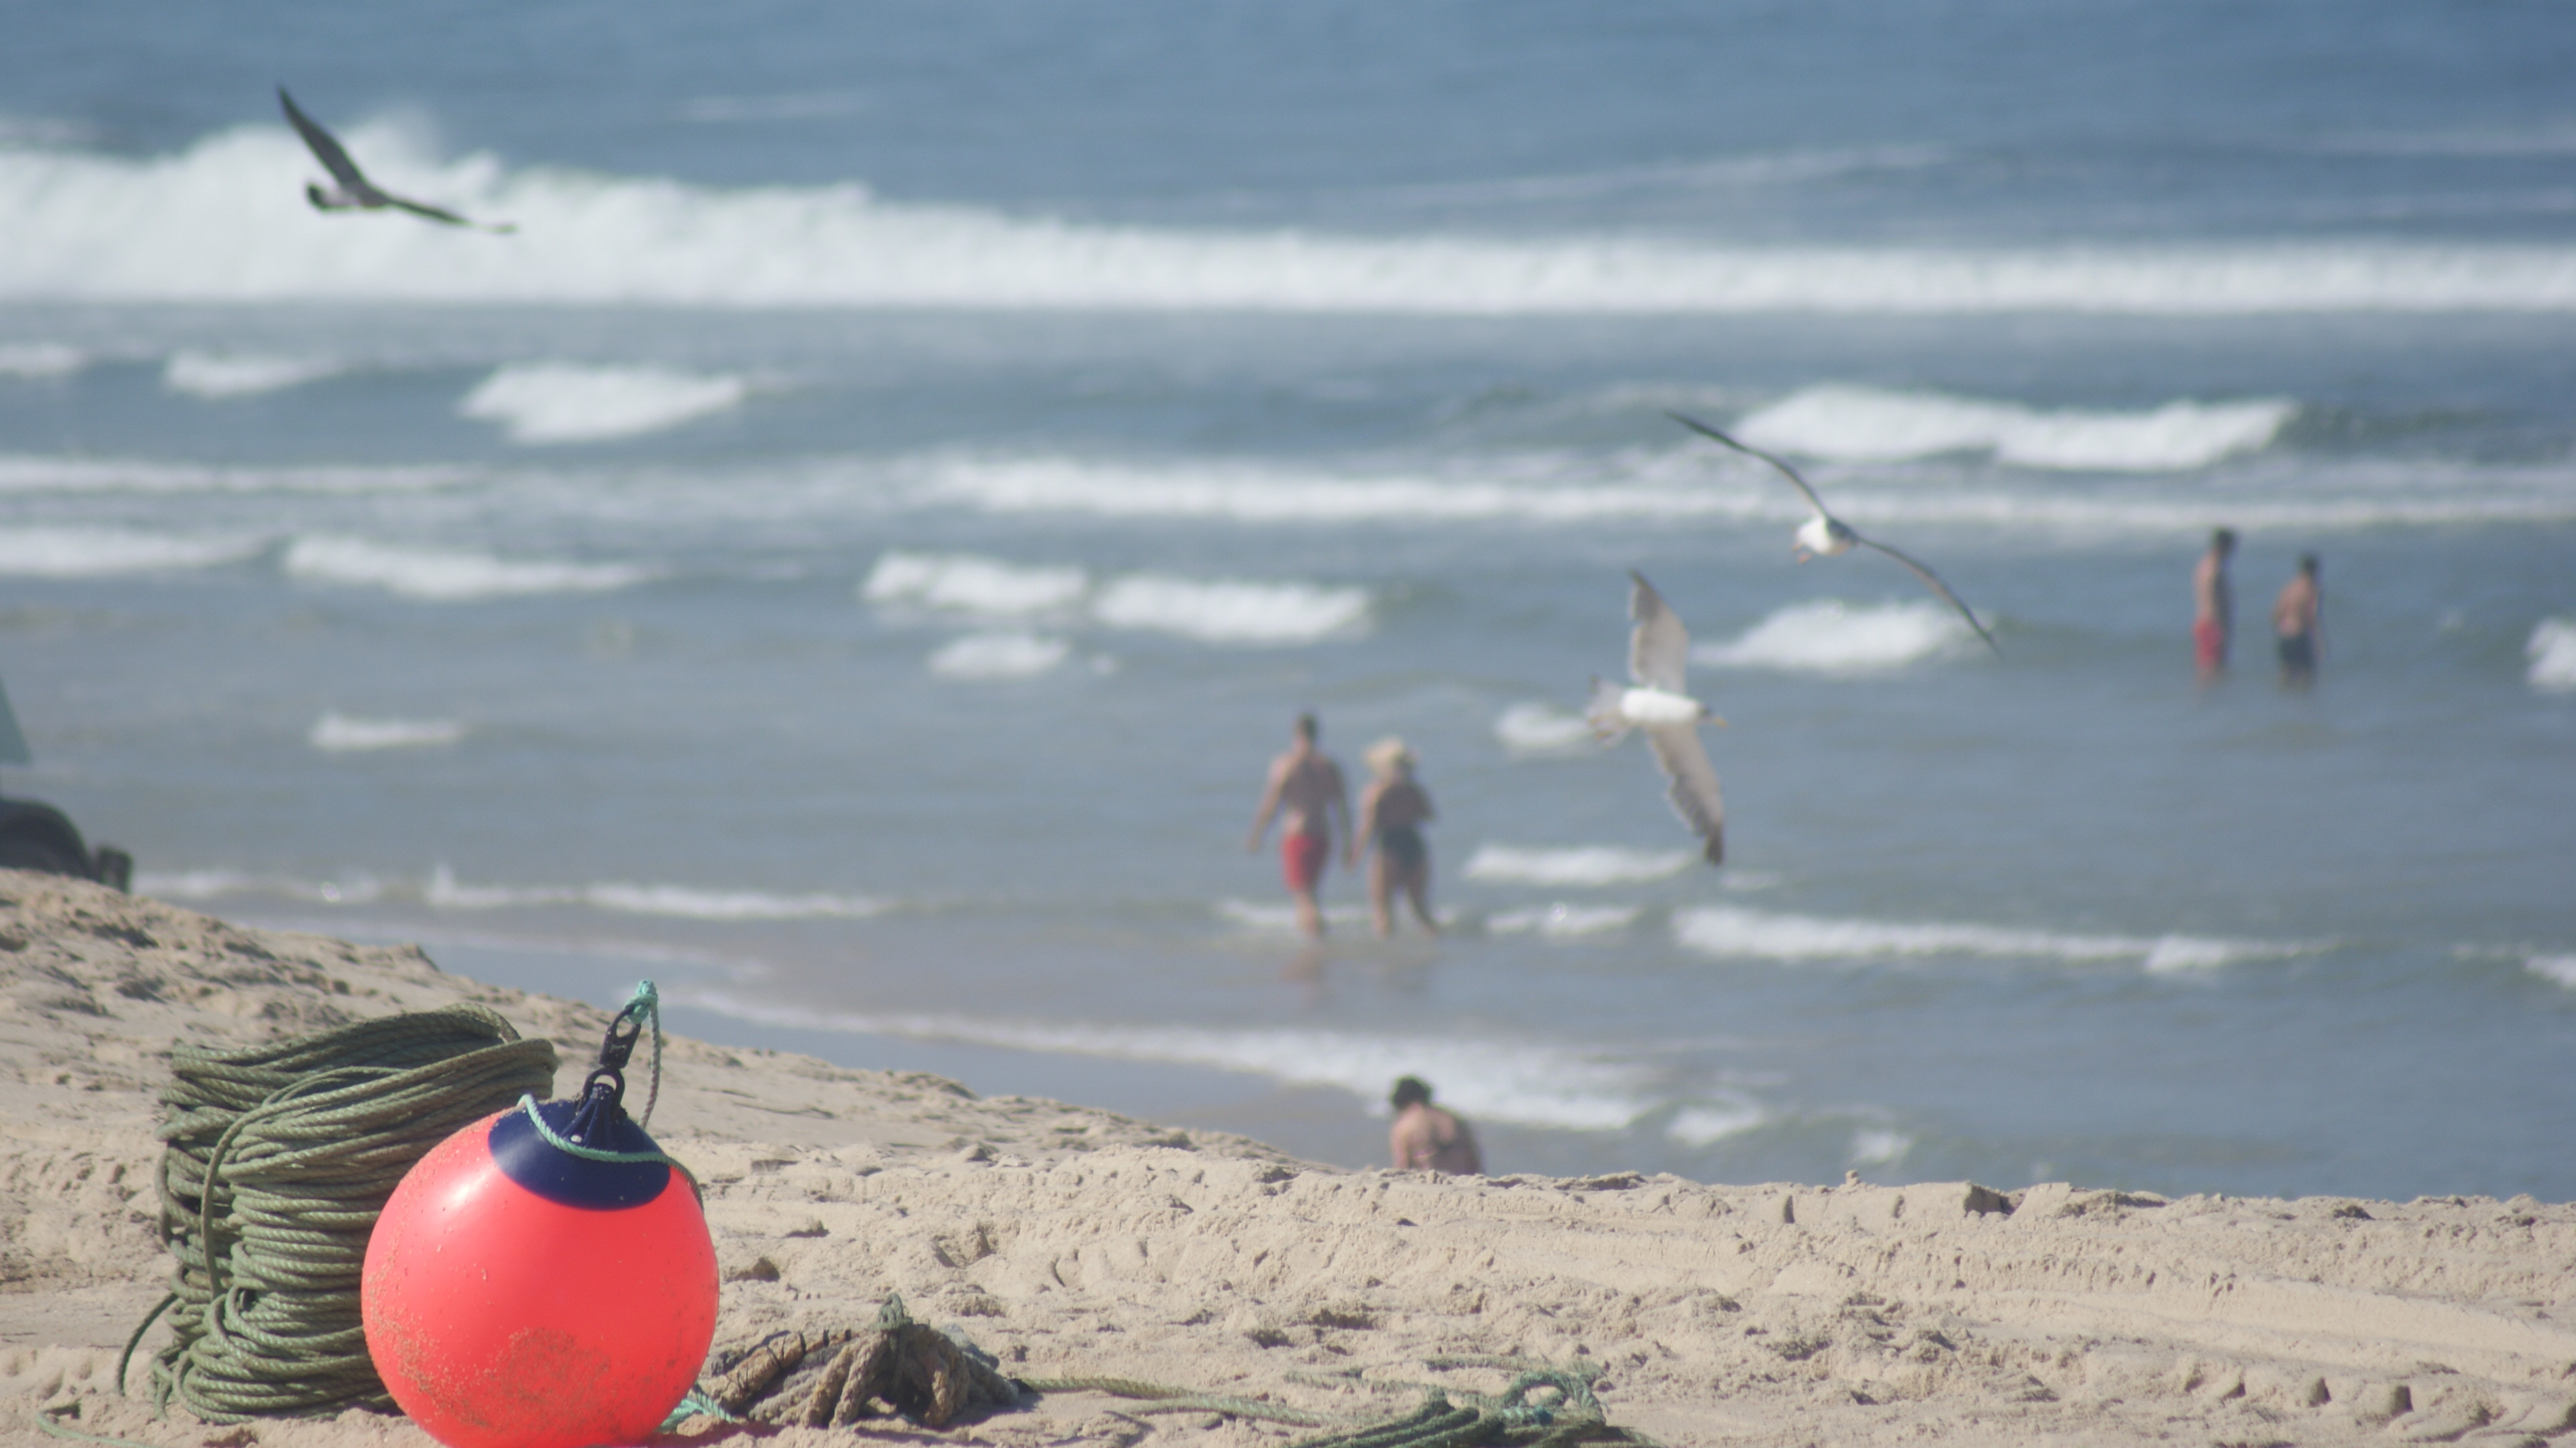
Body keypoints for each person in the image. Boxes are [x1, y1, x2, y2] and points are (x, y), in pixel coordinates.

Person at [1246, 712, 1350, 939]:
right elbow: (1341, 809)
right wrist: (1347, 844)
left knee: (1303, 897)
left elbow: (1271, 803)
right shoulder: (1330, 767)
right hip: (1323, 836)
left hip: (1298, 835)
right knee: (1311, 894)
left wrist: (1257, 834)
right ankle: (1315, 942)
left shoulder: (1286, 764)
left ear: (1296, 735)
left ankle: (1319, 943)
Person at [1353, 737, 1438, 938]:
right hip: (1414, 843)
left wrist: (1355, 855)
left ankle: (1388, 962)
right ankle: (1439, 945)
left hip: (1388, 845)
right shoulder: (1415, 790)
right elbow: (1429, 815)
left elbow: (1368, 826)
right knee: (1420, 908)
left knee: (1383, 912)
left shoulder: (1376, 792)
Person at [1388, 1076, 1481, 1175]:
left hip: (1432, 1177)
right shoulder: (1452, 1118)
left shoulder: (1405, 1124)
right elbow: (1475, 1159)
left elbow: (1402, 1166)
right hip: (1462, 1175)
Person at [2273, 552, 2323, 691]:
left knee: (2285, 675)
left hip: (2284, 637)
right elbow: (2312, 617)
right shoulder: (2312, 588)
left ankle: (2281, 706)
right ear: (2315, 571)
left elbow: (2275, 615)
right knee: (2307, 677)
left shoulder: (2289, 588)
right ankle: (2303, 710)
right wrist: (2319, 643)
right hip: (2299, 636)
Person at [2193, 528, 2236, 684]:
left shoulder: (2203, 565)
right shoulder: (2215, 569)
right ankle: (2207, 705)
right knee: (2213, 670)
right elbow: (2213, 599)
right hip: (2213, 623)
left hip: (2203, 621)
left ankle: (2208, 705)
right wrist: (2222, 628)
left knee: (2207, 668)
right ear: (2223, 546)